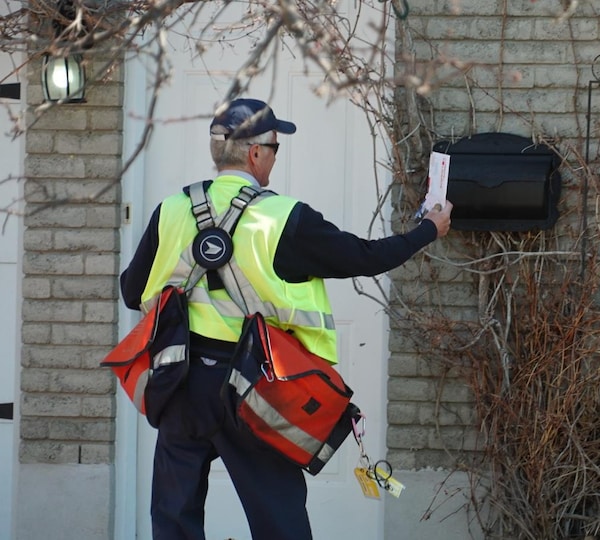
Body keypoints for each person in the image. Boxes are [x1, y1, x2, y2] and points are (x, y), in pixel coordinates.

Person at [120, 98, 452, 540]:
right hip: (254, 388)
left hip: (180, 385)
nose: (275, 157)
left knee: (173, 520)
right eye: (275, 147)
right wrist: (429, 228)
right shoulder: (282, 219)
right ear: (255, 153)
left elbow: (131, 292)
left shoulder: (171, 210)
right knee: (279, 522)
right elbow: (366, 258)